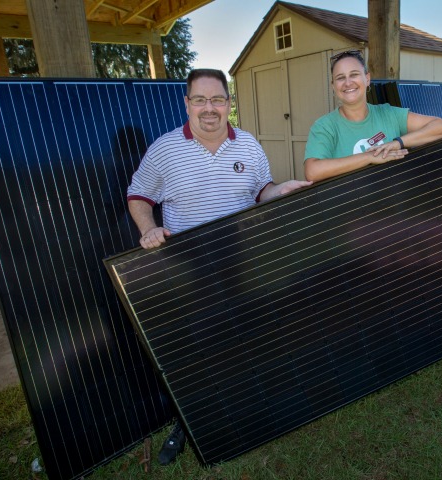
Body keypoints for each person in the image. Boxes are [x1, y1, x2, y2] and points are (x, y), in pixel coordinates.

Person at [127, 68, 311, 465]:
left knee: (248, 331)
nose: (209, 108)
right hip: (188, 266)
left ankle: (252, 402)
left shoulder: (247, 145)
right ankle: (195, 417)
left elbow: (262, 191)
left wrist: (280, 190)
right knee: (200, 344)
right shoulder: (164, 149)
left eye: (217, 100)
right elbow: (138, 195)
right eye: (200, 99)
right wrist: (149, 229)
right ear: (187, 103)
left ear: (229, 104)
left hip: (242, 258)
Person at [304, 49, 442, 182]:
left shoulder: (389, 114)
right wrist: (369, 157)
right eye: (340, 78)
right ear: (333, 86)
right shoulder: (324, 127)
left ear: (367, 79)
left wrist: (397, 143)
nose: (348, 83)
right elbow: (312, 171)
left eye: (354, 74)